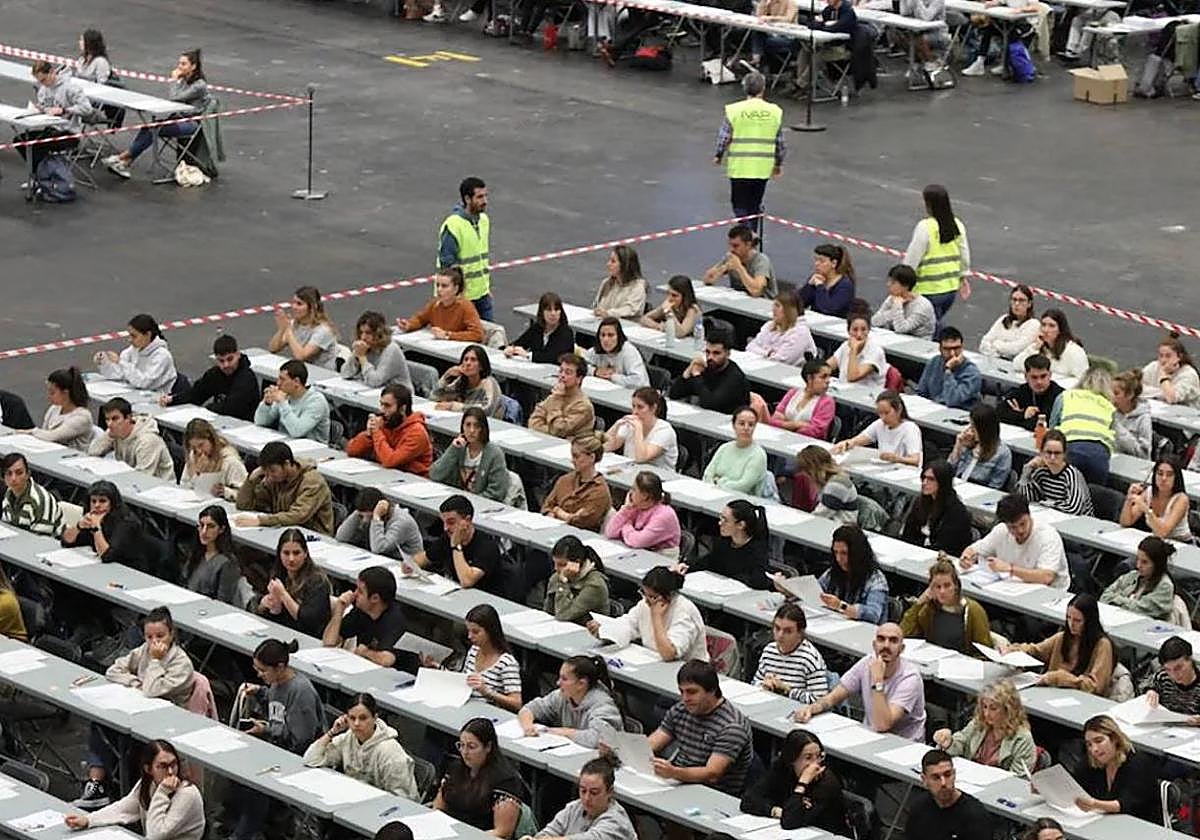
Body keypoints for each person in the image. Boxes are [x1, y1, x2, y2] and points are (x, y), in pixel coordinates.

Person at [80, 610, 197, 805]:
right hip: (139, 710)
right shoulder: (144, 650)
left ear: (172, 634)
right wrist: (135, 682)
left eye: (160, 636)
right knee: (101, 723)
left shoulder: (181, 664)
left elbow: (151, 690)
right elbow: (113, 670)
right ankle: (96, 784)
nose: (154, 642)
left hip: (167, 722)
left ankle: (130, 792)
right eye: (149, 637)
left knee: (130, 744)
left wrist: (156, 661)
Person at [228, 638, 325, 840]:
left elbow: (301, 740)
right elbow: (275, 704)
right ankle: (238, 823)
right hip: (277, 751)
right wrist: (260, 692)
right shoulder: (275, 683)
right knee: (235, 770)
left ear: (280, 667)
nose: (259, 674)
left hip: (299, 759)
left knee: (255, 786)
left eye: (263, 670)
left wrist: (266, 729)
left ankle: (244, 834)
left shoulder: (301, 691)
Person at [794, 623, 927, 740]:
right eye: (881, 639)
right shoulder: (866, 663)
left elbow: (883, 725)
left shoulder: (910, 678)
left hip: (904, 744)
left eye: (893, 641)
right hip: (870, 735)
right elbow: (833, 697)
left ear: (901, 648)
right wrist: (811, 709)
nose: (886, 645)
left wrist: (878, 681)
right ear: (874, 645)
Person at [641, 660, 753, 794]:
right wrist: (632, 751)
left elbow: (712, 774)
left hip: (712, 792)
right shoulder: (681, 709)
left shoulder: (732, 727)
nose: (685, 698)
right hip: (678, 781)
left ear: (712, 690)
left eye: (692, 692)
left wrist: (674, 772)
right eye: (682, 692)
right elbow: (654, 742)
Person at [66, 740, 204, 840]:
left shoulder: (187, 794)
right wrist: (88, 820)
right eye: (162, 766)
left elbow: (156, 834)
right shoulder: (149, 784)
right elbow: (123, 809)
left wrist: (162, 793)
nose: (170, 772)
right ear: (148, 769)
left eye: (173, 765)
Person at [103, 50, 209, 179]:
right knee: (148, 127)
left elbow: (174, 97)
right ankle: (125, 163)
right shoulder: (184, 80)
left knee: (153, 129)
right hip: (177, 118)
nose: (179, 67)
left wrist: (174, 80)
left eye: (183, 64)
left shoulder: (199, 85)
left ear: (193, 66)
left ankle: (122, 157)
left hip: (190, 124)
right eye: (179, 63)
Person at [303, 693, 419, 801]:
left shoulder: (390, 752)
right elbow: (311, 760)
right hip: (354, 800)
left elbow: (402, 800)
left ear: (375, 718)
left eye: (363, 718)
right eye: (352, 718)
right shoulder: (348, 738)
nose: (356, 724)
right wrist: (332, 732)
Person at [711, 73, 783, 236]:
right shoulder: (774, 111)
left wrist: (718, 155)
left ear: (745, 88)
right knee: (754, 204)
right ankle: (752, 234)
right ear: (763, 88)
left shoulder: (734, 110)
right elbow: (780, 142)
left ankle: (747, 233)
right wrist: (778, 164)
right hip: (762, 167)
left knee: (739, 204)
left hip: (740, 166)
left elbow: (724, 136)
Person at [586, 567, 707, 661]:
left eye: (652, 597)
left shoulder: (684, 611)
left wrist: (656, 617)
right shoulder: (645, 604)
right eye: (644, 593)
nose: (647, 600)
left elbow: (669, 653)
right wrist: (604, 630)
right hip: (653, 659)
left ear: (669, 595)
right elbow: (628, 624)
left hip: (686, 671)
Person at [1006, 594, 1114, 695]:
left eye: (1077, 620)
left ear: (1089, 622)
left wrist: (1063, 679)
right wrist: (1014, 649)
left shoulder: (1102, 645)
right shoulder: (1062, 637)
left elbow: (1095, 686)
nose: (1071, 624)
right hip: (1052, 692)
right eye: (1068, 618)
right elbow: (1036, 650)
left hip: (1081, 697)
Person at [432, 718, 524, 835]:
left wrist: (466, 837)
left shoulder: (506, 781)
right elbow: (438, 808)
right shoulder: (455, 768)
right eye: (461, 745)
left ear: (488, 747)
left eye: (471, 747)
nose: (465, 752)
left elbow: (502, 832)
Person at [741, 729, 845, 831]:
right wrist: (775, 811)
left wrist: (802, 783)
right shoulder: (781, 769)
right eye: (808, 758)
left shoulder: (827, 783)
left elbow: (789, 822)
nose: (815, 764)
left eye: (819, 756)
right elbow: (748, 800)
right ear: (792, 760)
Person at [960, 493, 1070, 588]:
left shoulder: (1048, 536)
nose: (1020, 530)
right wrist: (967, 558)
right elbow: (973, 550)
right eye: (1012, 527)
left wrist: (1010, 569)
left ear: (1029, 515)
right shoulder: (1001, 530)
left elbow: (1047, 577)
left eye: (1023, 523)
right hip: (1011, 586)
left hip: (1048, 591)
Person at [903, 184, 971, 332]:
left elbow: (912, 258)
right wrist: (963, 276)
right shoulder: (957, 225)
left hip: (927, 290)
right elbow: (964, 254)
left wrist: (902, 283)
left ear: (929, 203)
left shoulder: (925, 227)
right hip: (950, 290)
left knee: (926, 330)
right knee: (934, 323)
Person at [932, 680, 1036, 774]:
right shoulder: (979, 724)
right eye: (985, 707)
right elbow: (961, 743)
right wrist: (949, 742)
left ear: (1008, 709)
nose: (986, 713)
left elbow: (1019, 778)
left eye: (993, 708)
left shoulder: (1022, 739)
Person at [411, 495, 508, 596]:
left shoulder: (487, 546)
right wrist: (410, 565)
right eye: (444, 522)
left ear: (467, 520)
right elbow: (422, 559)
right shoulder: (447, 538)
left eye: (451, 522)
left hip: (485, 598)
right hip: (456, 594)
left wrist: (456, 545)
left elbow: (467, 581)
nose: (445, 528)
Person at [518, 655, 624, 746]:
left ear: (581, 684)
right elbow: (530, 708)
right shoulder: (561, 696)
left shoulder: (604, 706)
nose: (558, 683)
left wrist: (566, 732)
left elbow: (599, 739)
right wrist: (528, 726)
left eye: (564, 679)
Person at [235, 441, 335, 534]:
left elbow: (297, 515)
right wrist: (251, 479)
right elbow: (243, 505)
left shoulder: (313, 481)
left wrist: (261, 521)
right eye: (265, 470)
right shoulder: (275, 479)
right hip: (283, 530)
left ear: (287, 464)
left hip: (313, 535)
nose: (269, 475)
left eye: (273, 470)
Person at [1071, 715, 1157, 822]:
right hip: (1102, 819)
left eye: (1099, 741)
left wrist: (1094, 804)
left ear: (1115, 739)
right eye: (1089, 744)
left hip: (1137, 822)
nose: (1094, 749)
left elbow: (1126, 804)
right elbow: (1076, 785)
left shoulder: (1138, 763)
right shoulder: (1091, 763)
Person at [324, 566, 409, 668]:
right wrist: (339, 609)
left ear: (375, 598)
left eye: (360, 591)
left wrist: (365, 652)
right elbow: (329, 643)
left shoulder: (395, 620)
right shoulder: (361, 611)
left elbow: (386, 660)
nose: (355, 594)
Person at [899, 560, 991, 655]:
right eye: (937, 587)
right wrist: (918, 604)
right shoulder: (927, 608)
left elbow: (984, 653)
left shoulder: (973, 610)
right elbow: (903, 635)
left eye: (947, 586)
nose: (942, 591)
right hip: (932, 657)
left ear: (956, 586)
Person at [159, 334, 258, 421]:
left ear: (238, 354)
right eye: (221, 361)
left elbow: (231, 407)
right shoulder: (214, 374)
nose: (226, 365)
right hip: (220, 420)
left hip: (244, 422)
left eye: (230, 359)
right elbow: (196, 394)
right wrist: (173, 399)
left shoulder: (247, 378)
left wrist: (206, 409)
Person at [533, 756, 635, 840]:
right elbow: (547, 832)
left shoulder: (617, 822)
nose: (586, 798)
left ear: (610, 792)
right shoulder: (573, 809)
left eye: (594, 793)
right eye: (583, 791)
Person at [19, 61, 94, 172]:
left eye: (44, 80)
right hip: (50, 129)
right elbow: (46, 108)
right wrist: (41, 109)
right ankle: (40, 173)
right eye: (39, 81)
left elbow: (87, 109)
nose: (42, 84)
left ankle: (45, 174)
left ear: (52, 72)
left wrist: (64, 110)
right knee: (20, 140)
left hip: (69, 133)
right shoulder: (43, 90)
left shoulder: (71, 88)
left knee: (37, 146)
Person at [436, 177, 494, 321]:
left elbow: (480, 259)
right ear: (467, 199)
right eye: (479, 197)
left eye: (485, 196)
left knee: (490, 332)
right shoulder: (453, 225)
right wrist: (455, 296)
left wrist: (486, 288)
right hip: (460, 300)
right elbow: (448, 265)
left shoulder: (484, 220)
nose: (485, 201)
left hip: (482, 296)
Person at [1047, 365, 1116, 483]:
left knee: (1062, 489)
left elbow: (1052, 428)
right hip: (1099, 455)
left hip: (1070, 448)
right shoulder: (1109, 405)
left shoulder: (1066, 396)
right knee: (1093, 492)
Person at [257, 528, 332, 637]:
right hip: (282, 632)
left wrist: (283, 595)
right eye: (286, 553)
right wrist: (264, 605)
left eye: (296, 553)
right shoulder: (279, 574)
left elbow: (308, 622)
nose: (291, 559)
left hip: (308, 636)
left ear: (305, 553)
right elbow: (273, 615)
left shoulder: (317, 582)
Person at [903, 749, 992, 840]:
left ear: (954, 774)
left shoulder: (975, 816)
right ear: (924, 780)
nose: (943, 783)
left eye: (947, 775)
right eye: (936, 777)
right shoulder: (919, 808)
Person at [750, 602, 829, 703]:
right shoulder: (769, 650)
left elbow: (819, 701)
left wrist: (787, 690)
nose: (780, 635)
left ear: (800, 633)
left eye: (788, 631)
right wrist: (765, 685)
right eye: (777, 628)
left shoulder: (809, 658)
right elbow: (754, 683)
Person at [345, 384, 432, 475]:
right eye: (381, 404)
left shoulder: (417, 432)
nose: (382, 410)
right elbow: (351, 450)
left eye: (387, 406)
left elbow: (390, 461)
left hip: (413, 479)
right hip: (384, 474)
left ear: (402, 409)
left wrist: (376, 432)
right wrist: (368, 434)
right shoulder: (385, 422)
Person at [60, 481, 149, 568]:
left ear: (113, 503)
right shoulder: (92, 516)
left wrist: (96, 528)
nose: (97, 505)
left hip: (129, 569)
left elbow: (107, 556)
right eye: (93, 501)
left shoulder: (126, 523)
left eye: (102, 501)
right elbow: (66, 541)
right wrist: (79, 526)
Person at [685, 500, 771, 589]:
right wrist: (687, 567)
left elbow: (757, 581)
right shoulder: (724, 540)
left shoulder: (757, 550)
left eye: (725, 520)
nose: (720, 523)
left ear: (741, 525)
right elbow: (709, 561)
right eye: (721, 518)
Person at [429, 407, 510, 501]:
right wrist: (453, 450)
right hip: (455, 501)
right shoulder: (458, 447)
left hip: (480, 503)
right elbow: (435, 475)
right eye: (468, 425)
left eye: (476, 426)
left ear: (483, 428)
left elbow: (497, 493)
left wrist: (471, 501)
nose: (472, 430)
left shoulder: (494, 454)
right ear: (462, 427)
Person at [88, 397, 175, 480]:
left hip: (159, 485)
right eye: (107, 419)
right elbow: (92, 452)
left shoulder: (147, 440)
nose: (109, 424)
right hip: (130, 480)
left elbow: (143, 476)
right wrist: (109, 436)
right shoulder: (114, 432)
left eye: (115, 419)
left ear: (128, 418)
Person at [817, 524, 889, 623]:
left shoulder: (876, 580)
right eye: (836, 552)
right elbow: (817, 590)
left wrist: (841, 606)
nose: (838, 559)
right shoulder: (833, 572)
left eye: (844, 553)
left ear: (857, 553)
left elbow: (873, 614)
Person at [832, 390, 923, 467]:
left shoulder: (910, 429)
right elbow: (859, 439)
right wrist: (847, 443)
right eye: (880, 413)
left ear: (899, 409)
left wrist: (897, 458)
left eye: (887, 413)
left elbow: (915, 460)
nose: (883, 417)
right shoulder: (879, 424)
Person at [669, 329, 750, 413]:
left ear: (728, 354)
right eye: (707, 352)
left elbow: (710, 404)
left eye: (716, 353)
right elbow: (674, 394)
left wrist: (697, 375)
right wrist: (687, 372)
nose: (710, 357)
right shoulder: (706, 367)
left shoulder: (735, 377)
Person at [902, 461, 974, 556]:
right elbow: (908, 534)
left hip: (942, 557)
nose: (924, 483)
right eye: (924, 478)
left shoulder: (957, 512)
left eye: (931, 479)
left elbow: (946, 546)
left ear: (943, 482)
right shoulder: (920, 502)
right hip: (917, 552)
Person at [396, 267, 485, 343]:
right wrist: (409, 325)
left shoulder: (465, 307)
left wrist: (448, 335)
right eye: (437, 285)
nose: (439, 289)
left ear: (455, 289)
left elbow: (477, 334)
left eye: (444, 286)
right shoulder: (435, 304)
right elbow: (421, 319)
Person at [542, 434, 611, 531]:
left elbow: (581, 521)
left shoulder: (599, 491)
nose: (572, 460)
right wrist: (552, 515)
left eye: (576, 456)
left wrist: (557, 511)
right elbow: (547, 506)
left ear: (592, 457)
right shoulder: (565, 480)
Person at [1018, 430, 1095, 517]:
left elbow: (1074, 509)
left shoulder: (1072, 475)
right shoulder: (1041, 473)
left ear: (1064, 454)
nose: (1052, 457)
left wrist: (1047, 504)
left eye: (1057, 453)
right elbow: (1026, 500)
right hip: (1051, 517)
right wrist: (1026, 472)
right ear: (1041, 453)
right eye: (1048, 452)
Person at [94, 314, 178, 393]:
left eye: (134, 336)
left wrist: (121, 362)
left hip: (162, 397)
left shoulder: (162, 356)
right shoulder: (132, 350)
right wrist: (104, 363)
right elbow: (119, 375)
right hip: (139, 394)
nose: (129, 340)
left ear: (148, 335)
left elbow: (143, 383)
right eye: (129, 335)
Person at [603, 472, 682, 556]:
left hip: (661, 558)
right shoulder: (635, 507)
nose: (630, 493)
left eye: (634, 489)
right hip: (638, 553)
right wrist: (626, 509)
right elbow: (610, 532)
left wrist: (627, 525)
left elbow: (637, 541)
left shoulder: (665, 515)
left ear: (644, 496)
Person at [336, 487, 423, 562]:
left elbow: (378, 549)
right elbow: (341, 537)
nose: (365, 521)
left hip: (405, 564)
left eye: (369, 516)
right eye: (361, 516)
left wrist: (376, 518)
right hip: (382, 559)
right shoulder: (364, 515)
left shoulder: (402, 522)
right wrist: (357, 514)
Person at [253, 359, 331, 443]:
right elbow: (260, 422)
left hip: (311, 447)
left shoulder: (316, 402)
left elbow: (297, 431)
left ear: (296, 381)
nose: (278, 383)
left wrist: (282, 402)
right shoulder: (285, 395)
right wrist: (266, 403)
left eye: (282, 379)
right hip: (285, 442)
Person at [1100, 536, 1177, 620]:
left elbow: (1140, 609)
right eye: (1137, 559)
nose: (1138, 565)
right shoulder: (1132, 575)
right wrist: (1124, 601)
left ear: (1157, 564)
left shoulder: (1165, 586)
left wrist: (1116, 599)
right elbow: (1105, 596)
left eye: (1144, 562)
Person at [758, 358, 835, 441]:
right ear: (809, 378)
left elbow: (814, 431)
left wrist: (785, 424)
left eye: (829, 376)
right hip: (780, 437)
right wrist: (796, 425)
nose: (828, 381)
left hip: (807, 443)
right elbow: (774, 420)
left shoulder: (827, 402)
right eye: (823, 377)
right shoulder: (793, 393)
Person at [1119, 455, 1192, 541]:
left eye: (1169, 475)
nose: (1164, 478)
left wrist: (1147, 510)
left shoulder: (1181, 499)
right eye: (1160, 474)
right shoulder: (1149, 492)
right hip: (1157, 541)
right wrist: (1129, 499)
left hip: (1180, 542)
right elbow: (1125, 522)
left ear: (1176, 478)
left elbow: (1163, 532)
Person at [604, 387, 678, 470]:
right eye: (633, 406)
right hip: (631, 470)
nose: (635, 412)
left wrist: (638, 429)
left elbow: (641, 458)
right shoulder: (631, 423)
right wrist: (616, 426)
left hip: (656, 476)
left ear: (653, 408)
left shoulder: (664, 430)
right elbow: (605, 447)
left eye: (640, 407)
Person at [183, 505, 245, 606]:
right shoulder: (196, 553)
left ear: (221, 529)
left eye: (210, 526)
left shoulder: (227, 563)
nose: (204, 532)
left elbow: (223, 602)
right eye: (201, 525)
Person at [1012, 309, 1089, 386]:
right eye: (1043, 325)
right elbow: (1017, 365)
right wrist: (1034, 348)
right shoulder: (1039, 346)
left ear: (1060, 330)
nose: (1046, 330)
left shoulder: (1074, 351)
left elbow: (1083, 380)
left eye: (1051, 326)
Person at [703, 407, 769, 495]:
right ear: (734, 425)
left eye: (751, 425)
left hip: (741, 499)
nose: (746, 428)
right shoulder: (724, 447)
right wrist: (713, 486)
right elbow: (708, 474)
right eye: (742, 424)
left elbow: (744, 486)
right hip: (713, 493)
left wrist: (719, 482)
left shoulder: (758, 455)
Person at [545, 536, 611, 622]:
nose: (556, 568)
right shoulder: (556, 577)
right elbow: (548, 612)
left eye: (562, 565)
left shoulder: (595, 585)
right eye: (555, 563)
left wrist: (562, 584)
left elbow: (563, 615)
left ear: (577, 562)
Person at [343, 310, 413, 390]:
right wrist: (355, 356)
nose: (363, 337)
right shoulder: (364, 347)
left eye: (368, 333)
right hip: (374, 390)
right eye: (361, 332)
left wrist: (362, 358)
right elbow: (345, 373)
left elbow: (375, 381)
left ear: (379, 334)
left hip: (399, 394)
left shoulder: (391, 349)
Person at [530, 354, 596, 438]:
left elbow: (559, 431)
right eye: (561, 371)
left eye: (568, 373)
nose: (562, 375)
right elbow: (533, 422)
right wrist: (550, 431)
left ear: (579, 379)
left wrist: (556, 400)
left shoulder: (583, 406)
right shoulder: (555, 396)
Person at [702, 224, 777, 298]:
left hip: (763, 302)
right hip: (738, 300)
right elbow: (708, 279)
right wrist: (723, 268)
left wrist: (739, 268)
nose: (731, 249)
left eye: (736, 246)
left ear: (748, 245)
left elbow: (756, 291)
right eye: (730, 245)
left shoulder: (761, 260)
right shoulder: (731, 256)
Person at [26, 367, 92, 450]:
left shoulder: (82, 418)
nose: (49, 396)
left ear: (65, 393)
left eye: (52, 393)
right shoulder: (54, 409)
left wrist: (31, 432)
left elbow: (51, 436)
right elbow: (43, 432)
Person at [179, 418, 247, 499]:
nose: (199, 451)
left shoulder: (230, 461)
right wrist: (197, 475)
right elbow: (183, 484)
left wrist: (226, 492)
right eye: (194, 447)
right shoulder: (193, 456)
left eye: (201, 445)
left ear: (211, 440)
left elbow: (246, 495)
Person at [949, 403, 1011, 489]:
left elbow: (996, 485)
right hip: (957, 485)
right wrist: (958, 445)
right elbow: (949, 470)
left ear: (984, 429)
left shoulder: (1002, 453)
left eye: (973, 427)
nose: (969, 430)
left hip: (978, 489)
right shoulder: (967, 441)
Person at [916, 327, 982, 409]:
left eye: (956, 348)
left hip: (960, 412)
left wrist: (948, 370)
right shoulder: (934, 362)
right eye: (947, 349)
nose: (952, 353)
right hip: (934, 408)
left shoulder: (972, 373)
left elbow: (952, 401)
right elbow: (922, 392)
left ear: (962, 348)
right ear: (940, 349)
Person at [747, 290, 817, 365]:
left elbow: (781, 360)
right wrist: (768, 353)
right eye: (774, 305)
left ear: (789, 310)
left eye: (777, 306)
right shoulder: (769, 326)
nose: (773, 309)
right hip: (762, 364)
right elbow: (750, 347)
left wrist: (761, 352)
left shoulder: (800, 333)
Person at [430, 344, 503, 416]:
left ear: (481, 366)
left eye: (473, 360)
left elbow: (487, 410)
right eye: (465, 359)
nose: (468, 363)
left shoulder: (489, 383)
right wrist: (446, 377)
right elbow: (434, 397)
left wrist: (454, 406)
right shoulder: (460, 381)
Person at [790, 445, 858, 523]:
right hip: (829, 522)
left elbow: (822, 515)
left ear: (812, 468)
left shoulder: (837, 484)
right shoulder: (826, 480)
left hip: (839, 525)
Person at [1, 453, 63, 537]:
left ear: (28, 474)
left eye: (19, 473)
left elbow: (41, 539)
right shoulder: (9, 492)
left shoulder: (40, 500)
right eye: (9, 473)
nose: (13, 478)